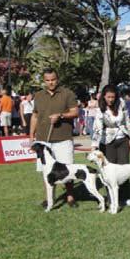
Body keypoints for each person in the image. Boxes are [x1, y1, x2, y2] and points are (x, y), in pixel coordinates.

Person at [29, 68, 79, 207]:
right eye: (47, 80)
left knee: (67, 170)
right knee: (46, 172)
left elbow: (75, 112)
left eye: (53, 80)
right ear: (44, 81)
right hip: (43, 139)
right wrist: (31, 134)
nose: (51, 83)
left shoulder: (67, 93)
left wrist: (61, 115)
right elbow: (35, 115)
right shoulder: (38, 95)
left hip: (63, 138)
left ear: (57, 79)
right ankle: (49, 199)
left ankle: (70, 197)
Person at [92, 85, 130, 205]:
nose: (110, 100)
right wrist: (94, 145)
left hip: (122, 140)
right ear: (104, 96)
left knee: (124, 168)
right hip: (107, 141)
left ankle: (125, 197)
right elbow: (97, 128)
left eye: (113, 97)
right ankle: (111, 198)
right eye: (108, 97)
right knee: (109, 171)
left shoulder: (121, 103)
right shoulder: (100, 108)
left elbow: (127, 120)